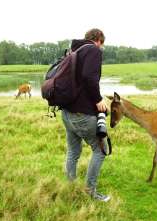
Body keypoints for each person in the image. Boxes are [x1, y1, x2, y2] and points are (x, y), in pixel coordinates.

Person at [61, 28, 110, 202]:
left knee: (73, 151)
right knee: (101, 150)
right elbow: (89, 77)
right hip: (82, 114)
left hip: (66, 112)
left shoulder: (73, 51)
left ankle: (71, 187)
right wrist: (98, 99)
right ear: (98, 40)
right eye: (102, 43)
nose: (102, 47)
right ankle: (90, 192)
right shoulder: (93, 50)